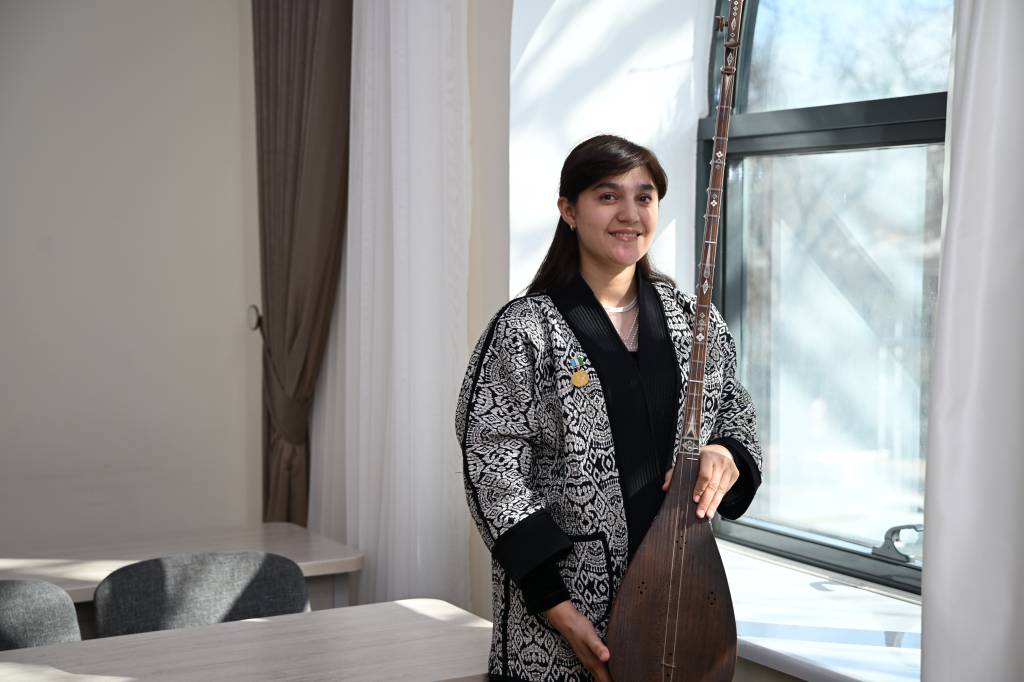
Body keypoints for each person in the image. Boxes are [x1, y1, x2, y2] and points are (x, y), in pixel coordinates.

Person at [455, 134, 762, 681]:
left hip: (679, 607)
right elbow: (492, 469)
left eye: (644, 197)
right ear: (568, 211)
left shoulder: (694, 322)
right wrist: (557, 607)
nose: (629, 214)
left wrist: (724, 451)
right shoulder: (526, 329)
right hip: (559, 621)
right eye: (607, 196)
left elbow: (733, 410)